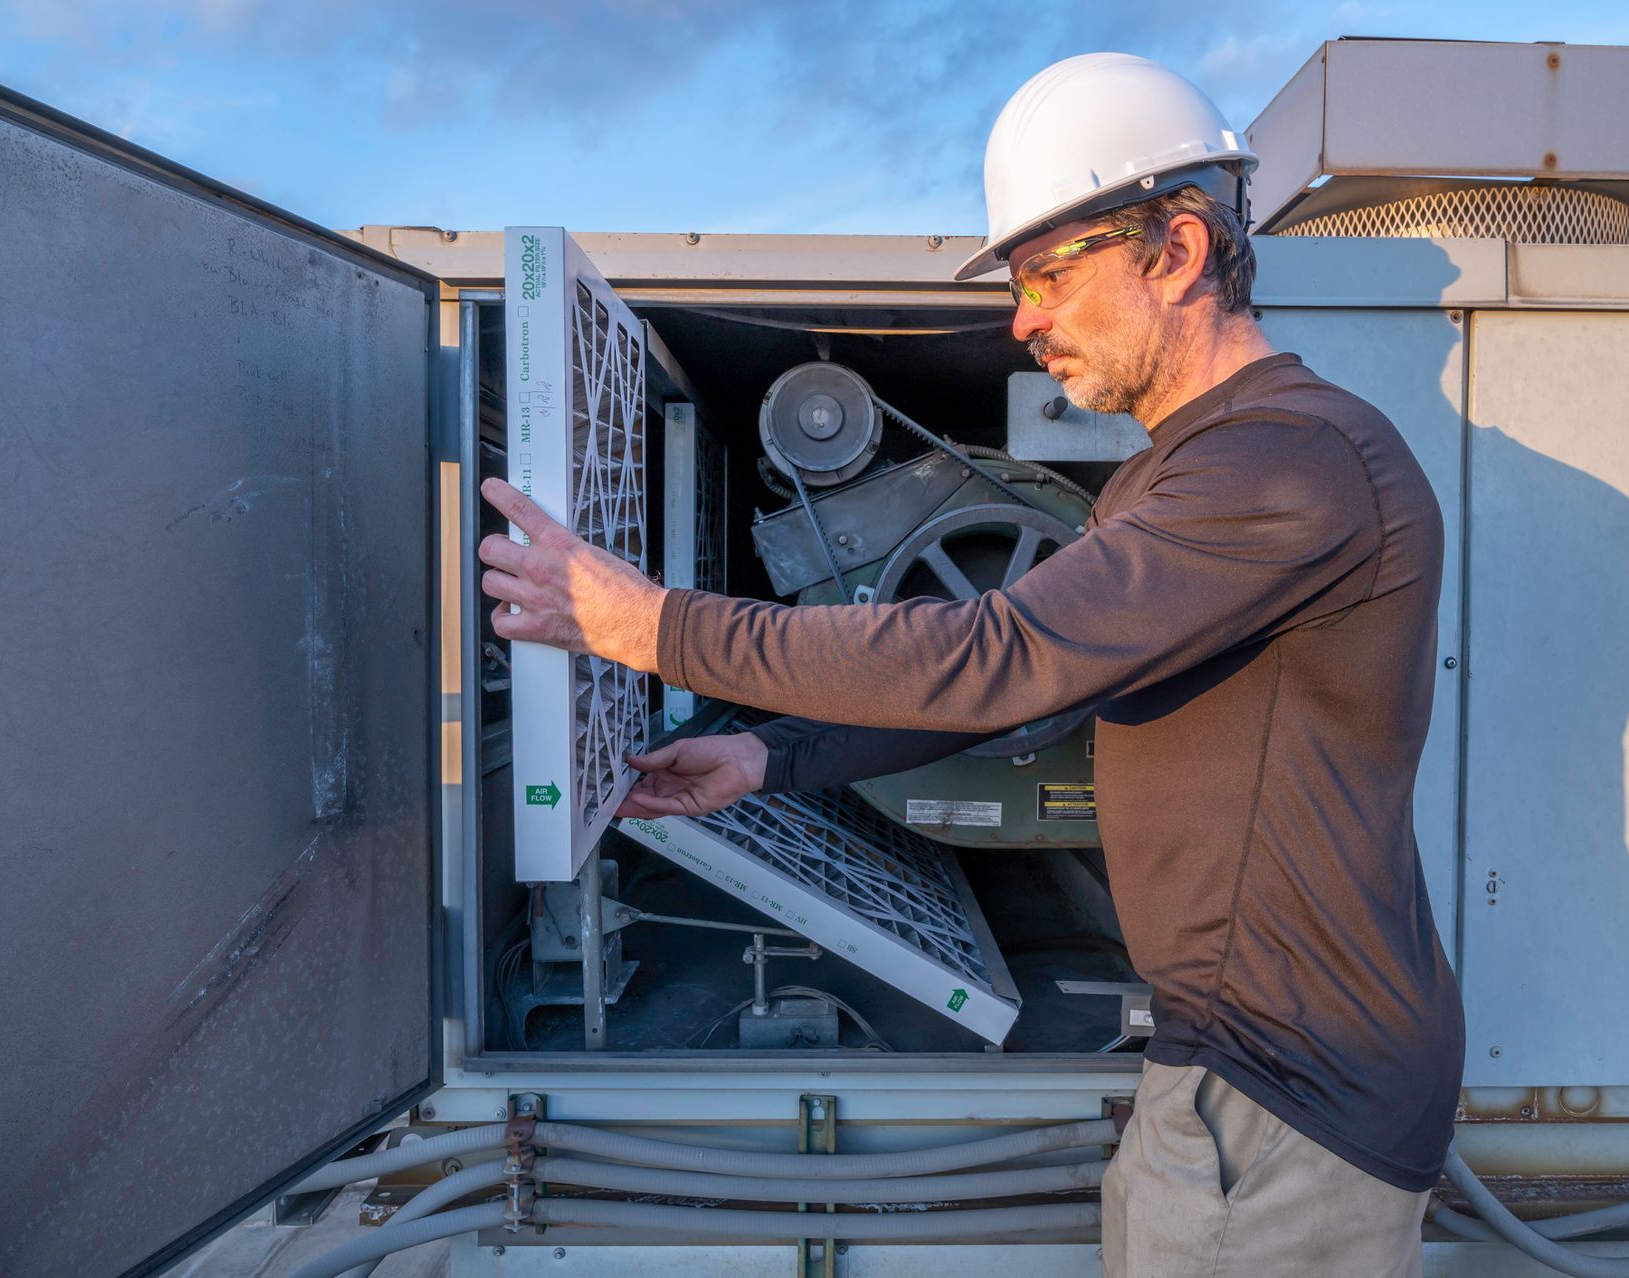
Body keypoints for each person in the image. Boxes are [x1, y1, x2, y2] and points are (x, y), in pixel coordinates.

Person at [476, 52, 1464, 1277]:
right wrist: (762, 756)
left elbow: (999, 657)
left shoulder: (1291, 464)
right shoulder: (1196, 469)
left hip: (1285, 1105)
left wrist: (650, 627)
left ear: (1179, 252)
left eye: (1050, 271)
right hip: (1238, 1080)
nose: (1024, 317)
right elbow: (1028, 693)